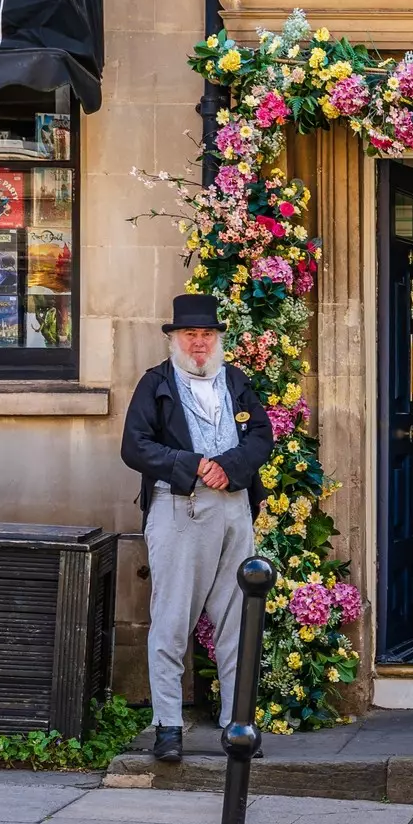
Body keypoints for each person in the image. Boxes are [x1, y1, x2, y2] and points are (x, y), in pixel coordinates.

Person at [120, 294, 276, 763]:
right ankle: (167, 726)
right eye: (191, 334)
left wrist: (229, 467)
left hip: (233, 508)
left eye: (208, 334)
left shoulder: (235, 381)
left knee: (236, 620)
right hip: (179, 509)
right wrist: (190, 465)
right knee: (171, 619)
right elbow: (134, 446)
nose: (200, 343)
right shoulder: (156, 383)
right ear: (174, 339)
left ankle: (237, 725)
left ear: (218, 339)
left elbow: (262, 435)